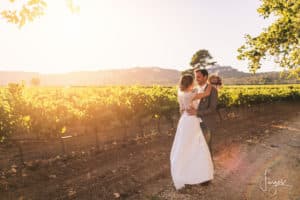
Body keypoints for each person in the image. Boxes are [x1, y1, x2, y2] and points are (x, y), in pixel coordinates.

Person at [170, 74, 214, 190]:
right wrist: (209, 83)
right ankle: (199, 175)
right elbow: (207, 93)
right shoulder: (191, 94)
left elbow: (182, 109)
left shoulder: (181, 93)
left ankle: (185, 173)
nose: (195, 83)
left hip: (184, 120)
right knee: (197, 146)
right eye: (194, 81)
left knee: (184, 147)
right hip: (191, 121)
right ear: (190, 83)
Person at [186, 69, 219, 185]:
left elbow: (212, 109)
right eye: (196, 77)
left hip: (205, 124)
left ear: (205, 77)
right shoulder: (194, 90)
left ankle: (206, 178)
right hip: (194, 124)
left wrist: (197, 113)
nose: (196, 79)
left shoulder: (213, 90)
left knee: (206, 150)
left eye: (199, 77)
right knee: (196, 150)